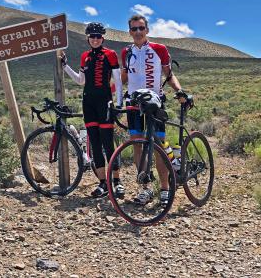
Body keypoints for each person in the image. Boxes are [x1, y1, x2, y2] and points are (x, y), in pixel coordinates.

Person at [120, 14, 191, 205]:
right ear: (129, 32)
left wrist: (180, 91)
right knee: (136, 144)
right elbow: (123, 78)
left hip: (155, 102)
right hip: (134, 103)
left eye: (141, 28)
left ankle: (165, 189)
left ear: (147, 30)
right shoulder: (126, 52)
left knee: (159, 145)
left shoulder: (159, 49)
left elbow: (169, 74)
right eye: (134, 29)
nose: (137, 32)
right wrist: (107, 92)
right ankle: (145, 188)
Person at [60, 22, 124, 198]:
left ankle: (117, 182)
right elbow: (81, 81)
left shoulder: (110, 54)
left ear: (102, 38)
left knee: (107, 143)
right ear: (87, 38)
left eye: (98, 36)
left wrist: (119, 103)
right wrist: (65, 67)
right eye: (92, 36)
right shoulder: (85, 56)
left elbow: (117, 81)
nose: (95, 39)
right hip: (88, 102)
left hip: (105, 102)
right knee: (95, 143)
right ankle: (103, 183)